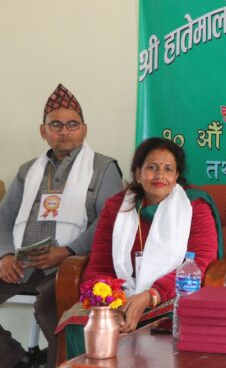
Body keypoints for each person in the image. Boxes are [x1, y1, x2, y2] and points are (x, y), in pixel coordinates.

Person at [56, 137, 222, 358]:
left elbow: (200, 263)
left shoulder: (194, 207)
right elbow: (100, 265)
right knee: (84, 324)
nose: (160, 175)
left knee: (166, 326)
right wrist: (110, 305)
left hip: (169, 296)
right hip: (120, 296)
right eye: (152, 167)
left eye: (168, 169)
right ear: (138, 173)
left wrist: (151, 295)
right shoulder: (116, 207)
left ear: (176, 176)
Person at [0, 84, 122, 368]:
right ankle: (14, 360)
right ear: (43, 131)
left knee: (52, 310)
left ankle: (58, 364)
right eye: (56, 125)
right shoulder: (28, 170)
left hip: (71, 265)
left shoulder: (104, 168)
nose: (64, 131)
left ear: (84, 129)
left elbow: (109, 220)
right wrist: (5, 254)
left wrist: (67, 251)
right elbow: (4, 216)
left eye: (72, 125)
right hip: (21, 263)